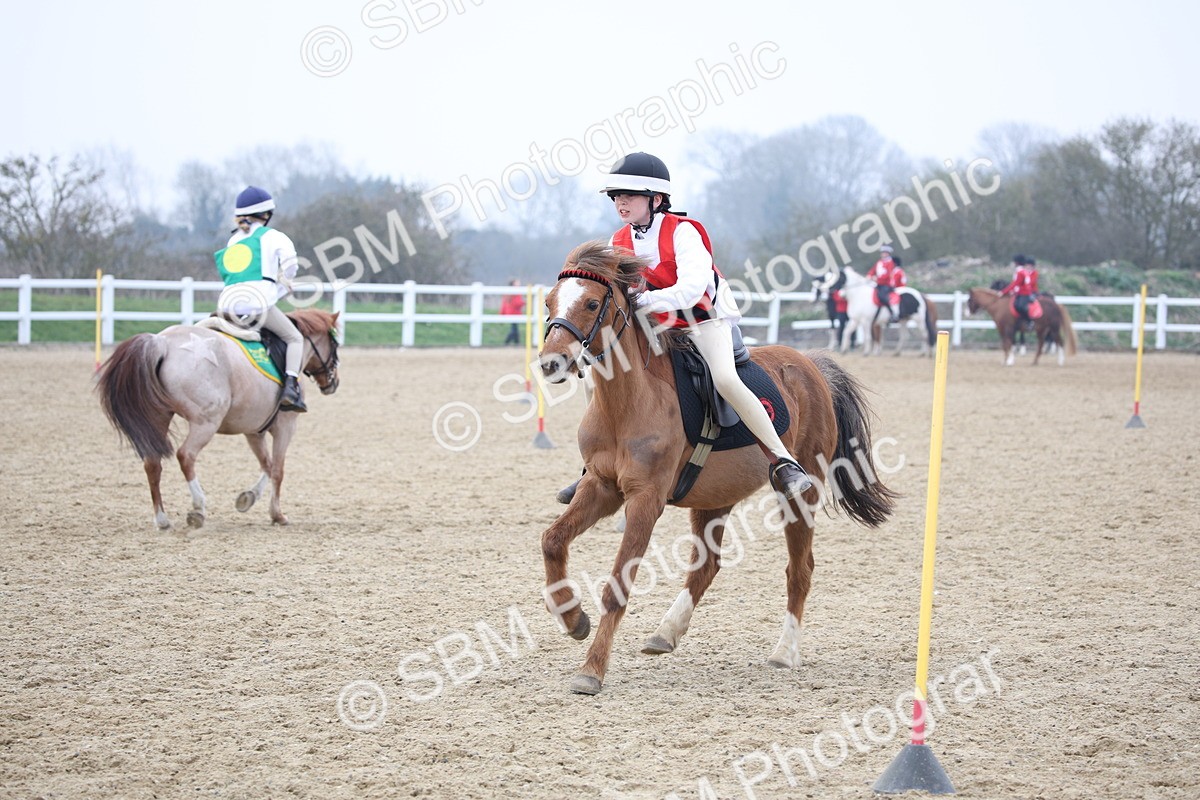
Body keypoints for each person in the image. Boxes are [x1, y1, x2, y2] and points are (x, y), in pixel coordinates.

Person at [556, 152, 812, 504]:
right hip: (659, 325)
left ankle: (782, 460)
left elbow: (692, 289)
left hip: (703, 319)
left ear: (656, 199)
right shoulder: (618, 240)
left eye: (629, 195)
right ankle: (594, 469)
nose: (620, 202)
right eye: (617, 196)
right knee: (602, 372)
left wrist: (645, 302)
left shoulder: (684, 232)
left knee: (725, 378)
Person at [213, 186, 307, 412]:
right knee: (295, 338)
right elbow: (292, 266)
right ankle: (291, 387)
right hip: (257, 305)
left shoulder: (233, 240)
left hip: (227, 305)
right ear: (267, 214)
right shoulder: (274, 236)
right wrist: (284, 282)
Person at [1000, 253, 1037, 330]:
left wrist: (1004, 292)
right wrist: (1013, 291)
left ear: (1017, 262)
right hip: (1020, 292)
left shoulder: (1020, 271)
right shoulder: (1021, 271)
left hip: (1024, 293)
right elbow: (1017, 284)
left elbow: (1015, 283)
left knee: (1020, 306)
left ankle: (1029, 321)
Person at [868, 245, 901, 323]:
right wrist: (869, 275)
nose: (884, 254)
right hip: (878, 284)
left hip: (886, 285)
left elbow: (887, 275)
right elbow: (873, 270)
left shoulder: (890, 263)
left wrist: (877, 279)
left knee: (883, 297)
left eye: (885, 253)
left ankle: (893, 313)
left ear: (888, 254)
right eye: (883, 253)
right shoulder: (879, 262)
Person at [500, 279, 525, 345]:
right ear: (513, 284)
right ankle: (509, 342)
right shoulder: (516, 292)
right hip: (514, 313)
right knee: (514, 330)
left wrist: (502, 314)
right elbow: (517, 303)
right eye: (517, 283)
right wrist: (524, 302)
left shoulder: (508, 292)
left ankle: (516, 343)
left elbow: (504, 305)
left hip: (510, 313)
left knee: (514, 328)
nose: (519, 284)